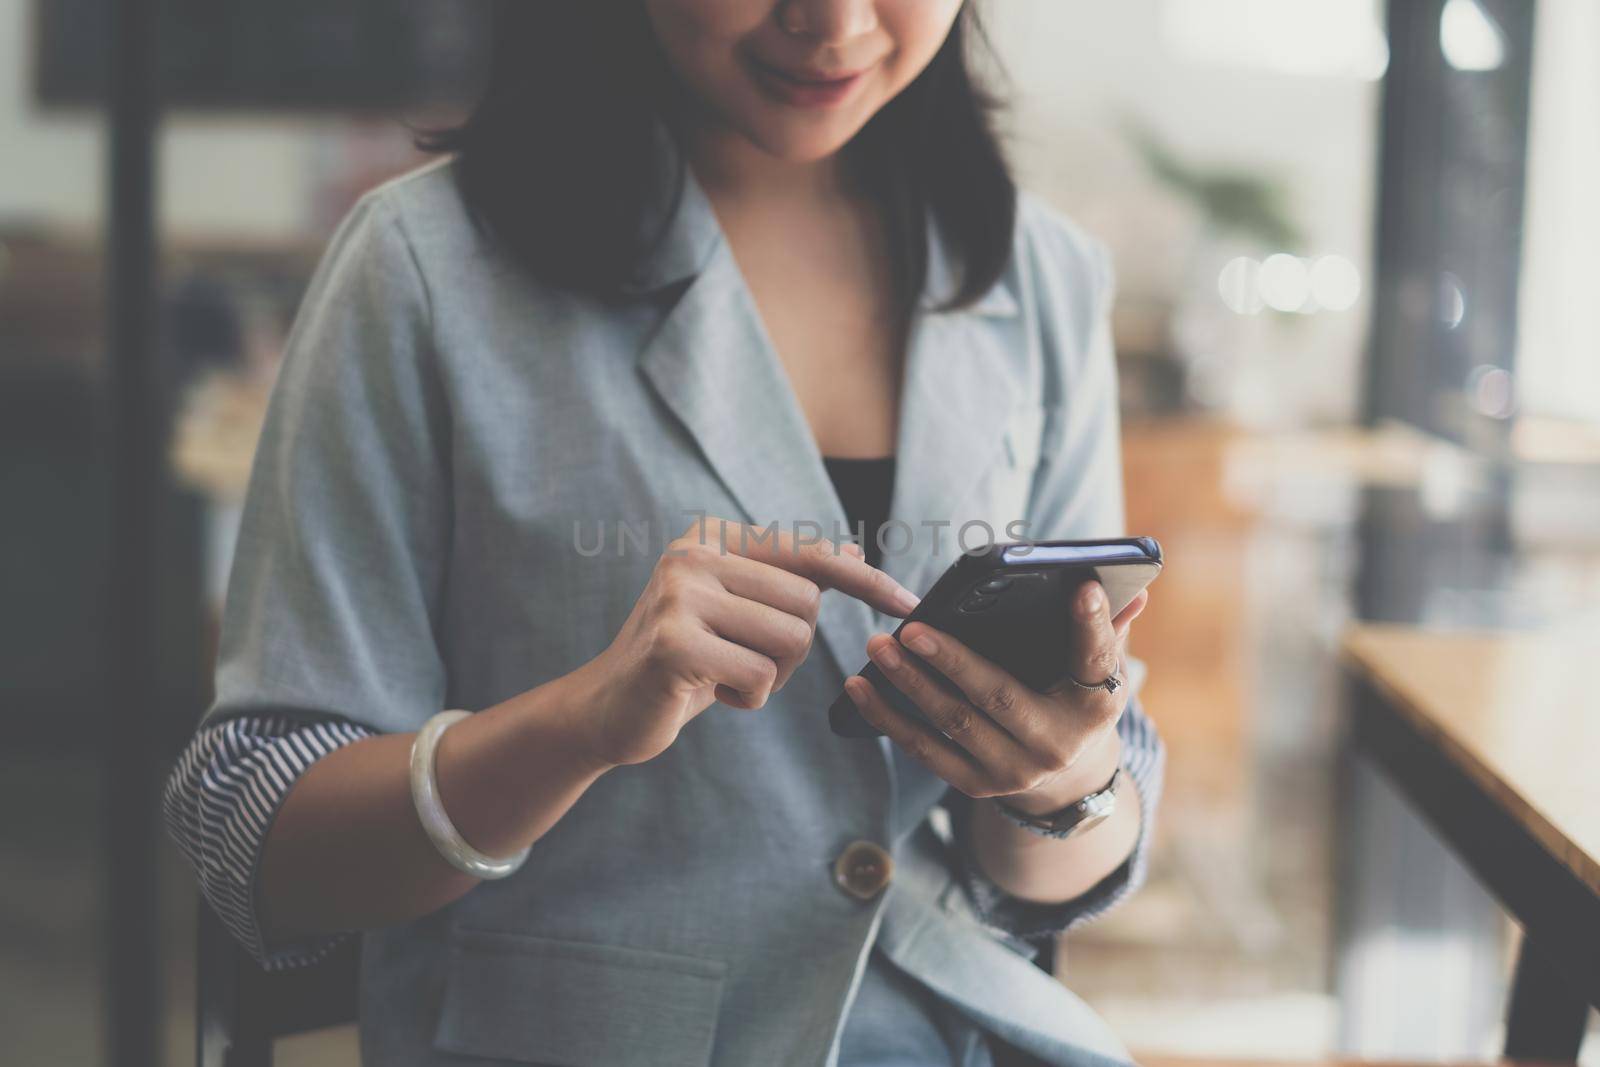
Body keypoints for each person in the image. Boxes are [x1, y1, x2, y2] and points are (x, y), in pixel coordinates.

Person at [163, 2, 1166, 1065]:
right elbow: (255, 835)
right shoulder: (422, 267)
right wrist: (577, 723)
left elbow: (1053, 874)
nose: (831, 23)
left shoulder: (1040, 273)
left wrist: (1064, 778)